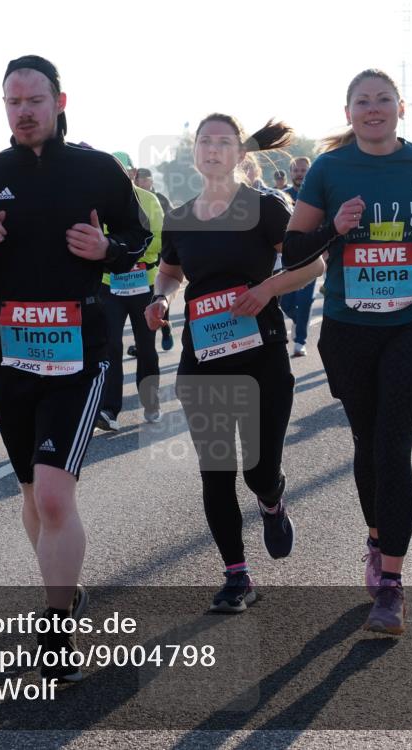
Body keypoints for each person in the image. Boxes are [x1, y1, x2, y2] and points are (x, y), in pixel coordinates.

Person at [0, 55, 151, 683]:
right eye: (13, 101)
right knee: (32, 494)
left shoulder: (96, 168)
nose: (24, 110)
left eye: (34, 99)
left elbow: (138, 238)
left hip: (77, 349)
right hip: (11, 351)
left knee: (54, 491)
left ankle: (57, 631)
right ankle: (66, 591)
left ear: (60, 100)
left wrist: (108, 250)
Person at [281, 69, 412, 635]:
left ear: (400, 108)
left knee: (392, 444)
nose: (373, 109)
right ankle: (376, 535)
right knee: (368, 444)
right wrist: (333, 228)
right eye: (362, 102)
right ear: (348, 113)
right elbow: (293, 251)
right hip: (349, 329)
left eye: (382, 100)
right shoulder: (329, 170)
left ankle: (391, 585)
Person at [146, 113, 325, 613]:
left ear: (240, 153)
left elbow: (314, 262)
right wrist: (160, 301)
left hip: (262, 356)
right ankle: (237, 575)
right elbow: (169, 274)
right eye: (205, 142)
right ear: (195, 152)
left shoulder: (264, 207)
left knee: (258, 469)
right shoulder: (180, 216)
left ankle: (272, 499)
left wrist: (266, 289)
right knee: (216, 470)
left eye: (224, 142)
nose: (213, 149)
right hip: (203, 358)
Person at [96, 154, 163, 430]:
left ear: (133, 172)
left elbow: (158, 239)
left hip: (142, 282)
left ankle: (150, 402)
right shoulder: (96, 201)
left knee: (145, 347)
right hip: (109, 284)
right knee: (109, 346)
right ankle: (109, 410)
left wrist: (125, 253)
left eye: (124, 170)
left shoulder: (148, 200)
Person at [133, 167, 174, 352]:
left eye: (146, 178)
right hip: (135, 265)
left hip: (159, 257)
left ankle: (166, 329)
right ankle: (140, 342)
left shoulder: (160, 199)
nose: (143, 182)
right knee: (142, 311)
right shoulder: (131, 199)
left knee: (161, 296)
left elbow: (172, 222)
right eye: (140, 179)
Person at [279, 156, 317, 356]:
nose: (299, 174)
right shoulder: (282, 196)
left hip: (310, 257)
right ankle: (297, 320)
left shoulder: (317, 193)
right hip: (287, 259)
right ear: (291, 172)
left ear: (309, 171)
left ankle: (300, 341)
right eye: (296, 170)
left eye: (303, 170)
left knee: (304, 301)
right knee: (285, 303)